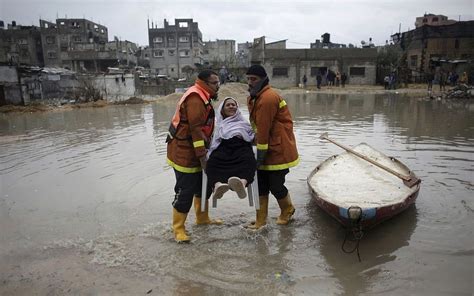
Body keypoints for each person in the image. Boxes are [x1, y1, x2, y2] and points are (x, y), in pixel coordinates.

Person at [166, 69, 222, 243]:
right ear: (204, 83)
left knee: (203, 187)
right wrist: (203, 157)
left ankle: (202, 218)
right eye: (215, 83)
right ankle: (178, 229)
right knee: (185, 190)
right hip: (184, 153)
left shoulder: (203, 96)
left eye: (218, 82)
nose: (218, 85)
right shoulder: (196, 98)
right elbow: (196, 131)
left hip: (195, 151)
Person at [245, 64, 299, 230]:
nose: (250, 83)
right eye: (248, 79)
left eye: (253, 79)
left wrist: (260, 156)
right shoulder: (255, 97)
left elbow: (264, 127)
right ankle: (261, 220)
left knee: (276, 185)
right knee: (261, 185)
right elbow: (257, 127)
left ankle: (288, 209)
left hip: (278, 149)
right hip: (266, 146)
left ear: (262, 79)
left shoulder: (268, 98)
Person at [206, 97, 257, 199]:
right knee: (212, 161)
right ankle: (218, 185)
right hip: (224, 147)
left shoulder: (244, 123)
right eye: (228, 105)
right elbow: (215, 141)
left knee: (249, 160)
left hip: (241, 147)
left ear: (237, 108)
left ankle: (242, 184)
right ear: (222, 109)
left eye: (233, 105)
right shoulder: (219, 124)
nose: (231, 107)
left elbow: (252, 137)